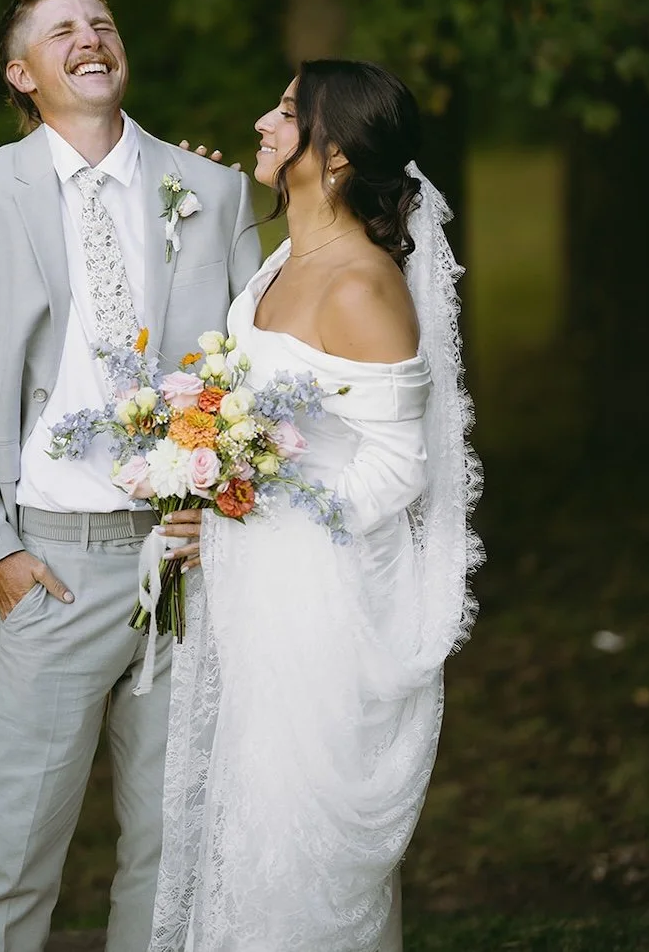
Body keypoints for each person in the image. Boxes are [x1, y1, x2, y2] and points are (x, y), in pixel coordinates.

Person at [0, 0, 261, 952]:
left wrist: (224, 503)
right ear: (23, 74)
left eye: (100, 21)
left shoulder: (212, 189)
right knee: (17, 855)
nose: (89, 36)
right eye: (61, 27)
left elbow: (252, 371)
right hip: (51, 571)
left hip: (187, 572)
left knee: (168, 852)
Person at [152, 59, 483, 952]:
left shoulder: (359, 284)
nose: (264, 119)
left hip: (322, 604)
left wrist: (251, 502)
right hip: (260, 592)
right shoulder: (276, 271)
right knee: (248, 815)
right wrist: (213, 488)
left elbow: (395, 471)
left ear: (334, 157)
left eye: (289, 111)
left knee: (294, 832)